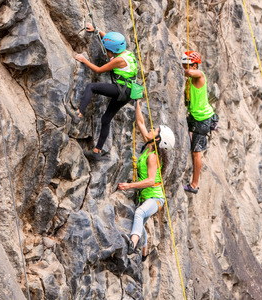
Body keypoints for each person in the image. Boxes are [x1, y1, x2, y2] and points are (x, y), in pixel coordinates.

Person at [69, 23, 138, 161]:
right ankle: (96, 151)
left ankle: (78, 113)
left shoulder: (118, 60)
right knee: (106, 119)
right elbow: (111, 41)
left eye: (107, 50)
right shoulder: (127, 53)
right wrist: (97, 31)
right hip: (129, 92)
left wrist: (84, 60)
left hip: (120, 90)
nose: (106, 52)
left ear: (113, 50)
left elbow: (99, 70)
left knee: (91, 87)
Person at [118, 101, 175, 261]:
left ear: (158, 139)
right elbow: (140, 122)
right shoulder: (149, 145)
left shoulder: (152, 157)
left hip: (155, 198)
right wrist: (136, 102)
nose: (151, 129)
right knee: (140, 223)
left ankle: (132, 243)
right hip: (148, 196)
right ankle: (144, 254)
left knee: (140, 213)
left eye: (155, 130)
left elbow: (151, 181)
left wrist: (129, 185)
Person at [182, 51, 216, 194]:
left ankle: (194, 185)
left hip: (202, 118)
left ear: (195, 65)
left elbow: (193, 73)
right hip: (195, 116)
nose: (185, 67)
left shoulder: (199, 76)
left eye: (187, 65)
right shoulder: (191, 77)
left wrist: (185, 69)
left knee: (197, 152)